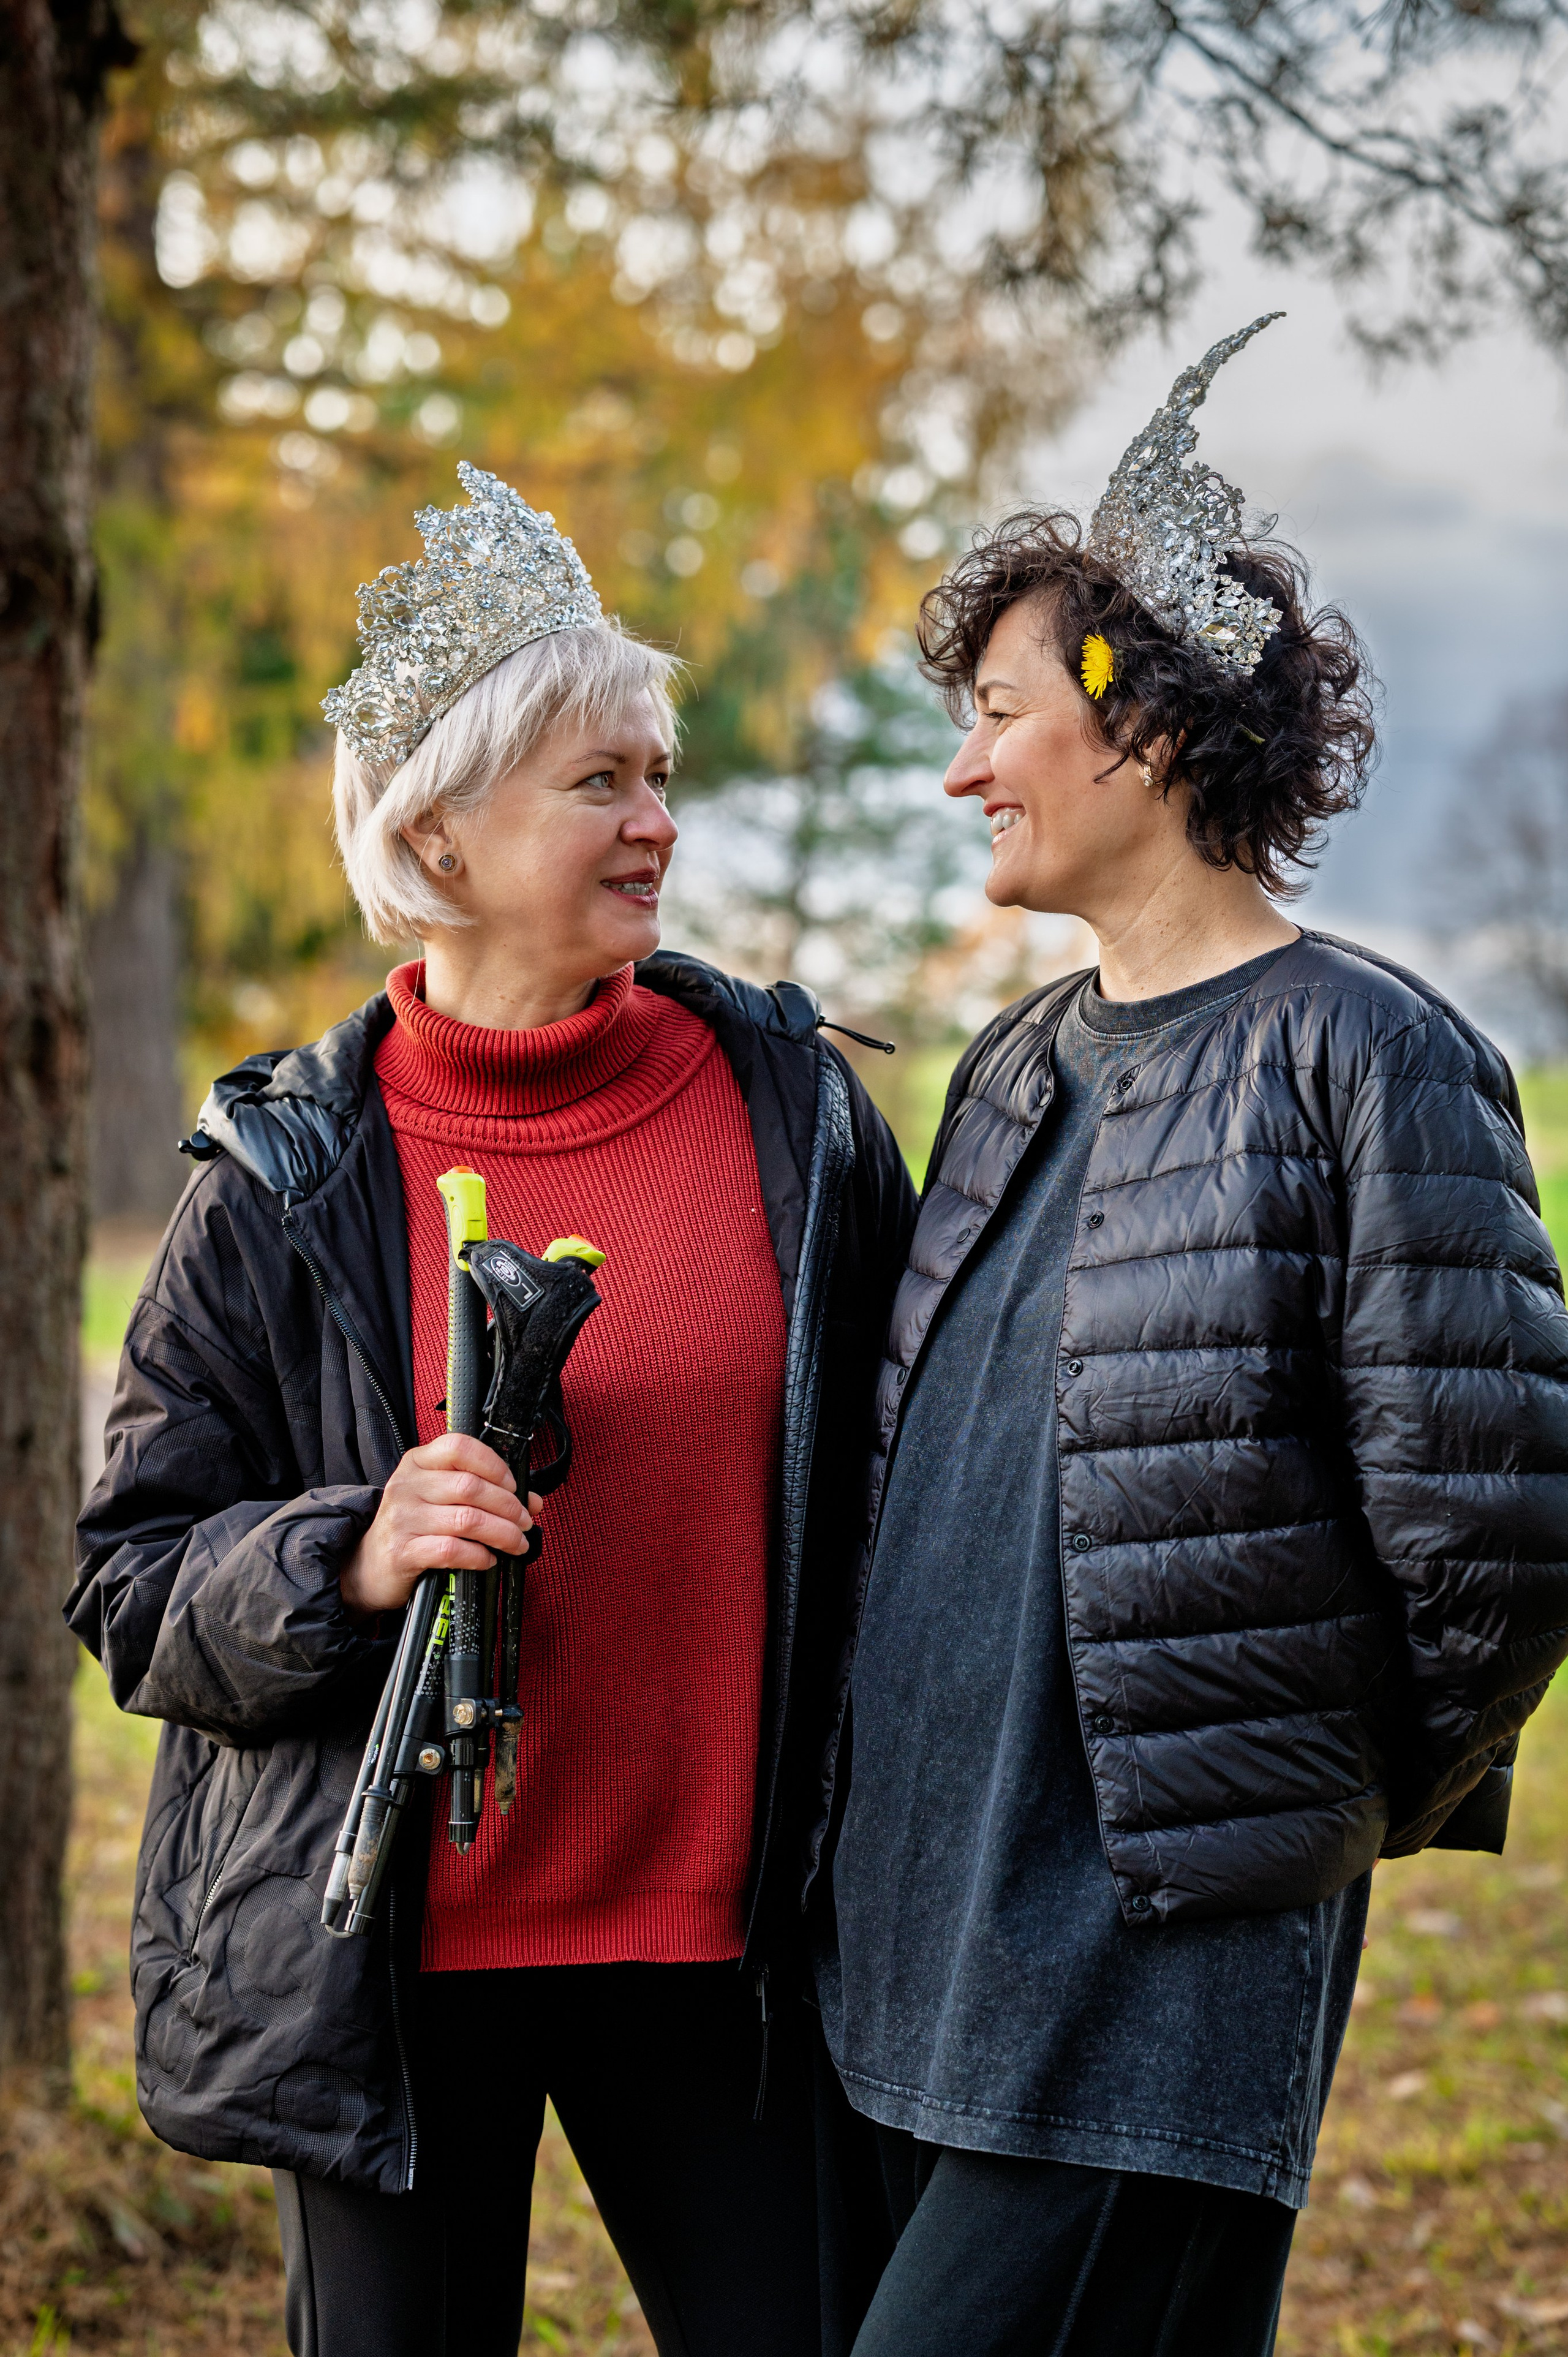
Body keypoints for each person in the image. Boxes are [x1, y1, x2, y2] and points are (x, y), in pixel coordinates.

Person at [70, 464, 916, 2357]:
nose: (659, 822)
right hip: (386, 1966)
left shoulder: (794, 1117)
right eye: (601, 781)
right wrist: (347, 1554)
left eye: (660, 776)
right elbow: (131, 1582)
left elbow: (912, 1491)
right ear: (437, 833)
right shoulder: (284, 1173)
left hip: (733, 1956)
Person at [808, 318, 1568, 2357]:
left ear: (1136, 726)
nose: (964, 769)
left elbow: (1496, 1548)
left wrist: (1280, 1824)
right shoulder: (1007, 1067)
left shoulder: (1375, 1058)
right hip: (916, 1950)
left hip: (1160, 1979)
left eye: (998, 715)